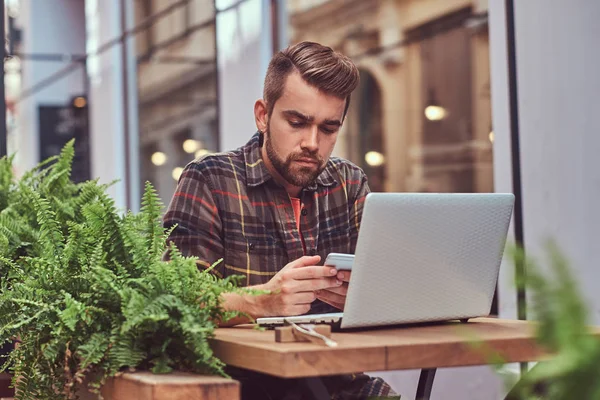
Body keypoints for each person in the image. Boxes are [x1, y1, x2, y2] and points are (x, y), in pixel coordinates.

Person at [163, 41, 399, 399]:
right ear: (262, 115)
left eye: (329, 128)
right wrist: (262, 301)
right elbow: (175, 303)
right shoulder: (210, 179)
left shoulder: (349, 183)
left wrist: (367, 298)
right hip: (251, 388)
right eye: (297, 122)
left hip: (340, 384)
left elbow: (385, 289)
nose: (312, 142)